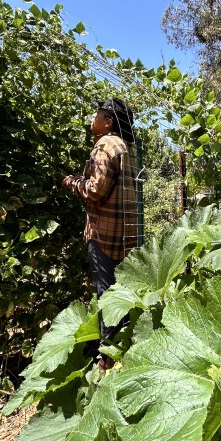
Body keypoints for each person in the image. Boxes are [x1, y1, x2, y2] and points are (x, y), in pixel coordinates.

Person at [61, 98, 139, 369]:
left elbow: (95, 191)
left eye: (98, 113)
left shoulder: (104, 145)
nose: (92, 117)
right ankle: (127, 349)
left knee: (106, 294)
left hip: (104, 233)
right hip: (127, 233)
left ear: (108, 121)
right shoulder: (127, 148)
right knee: (123, 294)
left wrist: (72, 182)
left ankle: (107, 359)